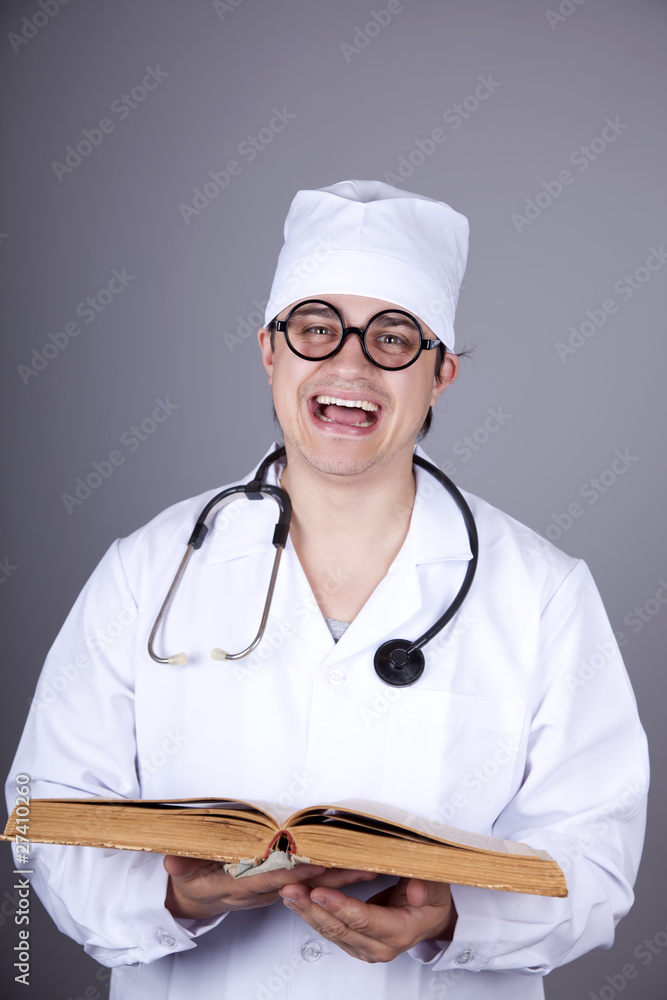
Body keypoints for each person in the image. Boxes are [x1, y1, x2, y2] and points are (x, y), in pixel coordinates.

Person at [6, 180, 648, 999]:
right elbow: (43, 815)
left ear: (440, 373)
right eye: (316, 329)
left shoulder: (542, 591)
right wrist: (173, 895)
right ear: (270, 351)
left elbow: (594, 862)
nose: (348, 366)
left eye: (391, 338)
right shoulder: (146, 570)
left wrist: (451, 917)